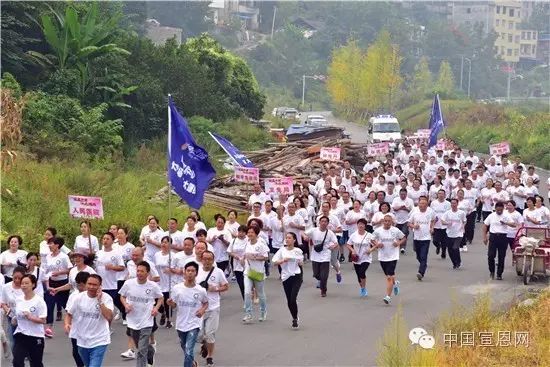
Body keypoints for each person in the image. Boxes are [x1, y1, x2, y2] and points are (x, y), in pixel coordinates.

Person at [119, 261, 164, 367]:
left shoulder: (152, 286)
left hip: (146, 321)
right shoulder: (129, 283)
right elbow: (122, 296)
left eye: (142, 271)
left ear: (147, 273)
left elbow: (160, 297)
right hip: (133, 320)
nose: (139, 273)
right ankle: (151, 351)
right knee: (140, 346)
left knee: (141, 351)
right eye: (138, 271)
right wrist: (125, 305)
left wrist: (156, 308)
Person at [65, 274, 114, 367]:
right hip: (82, 339)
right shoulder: (78, 298)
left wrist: (100, 301)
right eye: (89, 284)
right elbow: (69, 314)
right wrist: (67, 324)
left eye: (95, 285)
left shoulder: (106, 298)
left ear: (100, 286)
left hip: (100, 340)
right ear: (86, 284)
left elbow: (109, 316)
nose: (91, 287)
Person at [167, 261, 208, 367]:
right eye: (188, 271)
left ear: (196, 273)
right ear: (184, 273)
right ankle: (193, 363)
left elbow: (206, 303)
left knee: (189, 349)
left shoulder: (200, 290)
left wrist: (202, 310)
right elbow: (174, 305)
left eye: (192, 271)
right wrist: (171, 304)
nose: (190, 273)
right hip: (181, 323)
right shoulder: (177, 288)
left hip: (194, 323)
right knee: (185, 347)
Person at [196, 251, 229, 367]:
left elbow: (226, 286)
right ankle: (204, 343)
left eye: (209, 259)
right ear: (201, 259)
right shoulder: (197, 271)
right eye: (205, 259)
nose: (207, 261)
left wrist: (214, 288)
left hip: (213, 306)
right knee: (198, 335)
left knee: (210, 333)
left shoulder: (218, 272)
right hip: (199, 308)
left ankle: (209, 356)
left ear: (213, 260)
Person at [11, 274, 47, 367]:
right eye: (22, 283)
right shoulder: (19, 300)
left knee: (36, 363)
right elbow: (16, 316)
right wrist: (15, 320)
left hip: (35, 336)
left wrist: (31, 317)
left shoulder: (39, 301)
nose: (24, 285)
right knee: (17, 360)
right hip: (21, 334)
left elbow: (43, 320)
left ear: (33, 285)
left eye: (27, 283)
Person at [371, 215, 406, 305]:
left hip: (393, 256)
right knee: (389, 276)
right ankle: (395, 284)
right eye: (385, 221)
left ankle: (388, 296)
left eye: (389, 221)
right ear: (383, 222)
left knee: (389, 277)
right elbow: (372, 239)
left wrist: (398, 243)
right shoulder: (378, 231)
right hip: (382, 256)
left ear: (391, 222)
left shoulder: (395, 230)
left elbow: (404, 238)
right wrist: (377, 244)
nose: (387, 223)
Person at [272, 233, 304, 329]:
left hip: (296, 275)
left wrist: (300, 262)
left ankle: (295, 319)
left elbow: (301, 262)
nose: (287, 239)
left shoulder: (298, 250)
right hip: (286, 277)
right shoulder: (282, 250)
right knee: (289, 300)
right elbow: (274, 262)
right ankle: (294, 317)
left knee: (293, 298)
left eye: (290, 238)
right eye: (286, 238)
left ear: (294, 240)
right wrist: (282, 261)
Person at [42, 236, 71, 338]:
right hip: (51, 283)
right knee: (49, 305)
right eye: (49, 244)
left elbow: (69, 269)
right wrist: (47, 283)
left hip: (62, 283)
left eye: (51, 244)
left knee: (65, 305)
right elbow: (44, 270)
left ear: (57, 245)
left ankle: (73, 323)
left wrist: (59, 272)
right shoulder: (48, 256)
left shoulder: (63, 257)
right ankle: (49, 328)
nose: (49, 246)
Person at [95, 232, 125, 323]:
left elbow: (122, 267)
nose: (105, 241)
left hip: (111, 285)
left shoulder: (116, 253)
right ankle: (103, 326)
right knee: (99, 306)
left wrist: (112, 267)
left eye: (108, 239)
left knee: (110, 306)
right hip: (99, 285)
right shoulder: (98, 253)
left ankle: (123, 314)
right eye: (104, 239)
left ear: (112, 241)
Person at [242, 226, 270, 323]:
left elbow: (266, 257)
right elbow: (244, 256)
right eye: (248, 232)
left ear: (256, 234)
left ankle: (263, 311)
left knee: (261, 294)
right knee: (247, 292)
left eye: (252, 232)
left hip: (258, 272)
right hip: (248, 272)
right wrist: (243, 259)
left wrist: (255, 257)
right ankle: (248, 314)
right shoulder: (247, 244)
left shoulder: (261, 244)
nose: (249, 234)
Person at [307, 216, 338, 297]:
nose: (323, 223)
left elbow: (336, 242)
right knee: (316, 274)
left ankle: (323, 290)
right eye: (322, 221)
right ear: (319, 222)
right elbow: (303, 233)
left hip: (325, 255)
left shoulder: (330, 233)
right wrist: (305, 237)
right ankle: (321, 281)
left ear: (327, 223)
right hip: (315, 255)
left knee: (324, 276)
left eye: (325, 221)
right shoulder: (314, 230)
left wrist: (333, 246)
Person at [65, 271, 90, 367]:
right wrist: (67, 324)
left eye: (82, 285)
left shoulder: (95, 295)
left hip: (90, 329)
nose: (80, 288)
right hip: (76, 329)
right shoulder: (73, 296)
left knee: (88, 353)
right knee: (76, 353)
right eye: (78, 285)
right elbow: (68, 312)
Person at [408, 196, 435, 281]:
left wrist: (432, 228)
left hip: (426, 238)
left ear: (427, 205)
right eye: (420, 203)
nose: (422, 205)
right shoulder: (415, 213)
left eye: (424, 204)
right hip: (416, 237)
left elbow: (434, 220)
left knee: (423, 256)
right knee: (418, 256)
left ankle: (421, 272)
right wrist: (413, 226)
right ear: (418, 204)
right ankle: (423, 264)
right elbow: (409, 223)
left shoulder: (430, 213)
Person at [346, 219, 374, 298]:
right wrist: (352, 250)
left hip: (366, 258)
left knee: (362, 272)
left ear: (365, 226)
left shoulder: (369, 235)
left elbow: (376, 244)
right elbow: (348, 244)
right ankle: (362, 287)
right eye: (359, 224)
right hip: (357, 258)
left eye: (362, 224)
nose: (361, 226)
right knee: (359, 275)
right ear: (357, 225)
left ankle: (364, 288)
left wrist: (370, 250)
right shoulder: (354, 235)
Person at [483, 202, 509, 280]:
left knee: (501, 256)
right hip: (493, 237)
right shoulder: (491, 215)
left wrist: (506, 223)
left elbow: (513, 224)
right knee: (491, 255)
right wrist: (484, 237)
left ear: (503, 209)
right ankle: (492, 271)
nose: (499, 212)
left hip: (503, 237)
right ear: (495, 208)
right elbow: (485, 225)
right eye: (498, 210)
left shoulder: (506, 216)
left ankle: (499, 274)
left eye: (501, 210)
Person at [0, 267, 24, 352]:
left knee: (24, 338)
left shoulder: (26, 287)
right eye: (15, 278)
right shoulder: (6, 287)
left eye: (20, 278)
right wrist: (7, 309)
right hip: (12, 317)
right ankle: (17, 358)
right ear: (12, 276)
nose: (17, 280)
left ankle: (26, 353)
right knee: (12, 339)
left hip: (25, 318)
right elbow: (2, 302)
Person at [154, 236, 175, 329]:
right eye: (162, 242)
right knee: (155, 300)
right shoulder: (157, 255)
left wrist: (171, 270)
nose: (164, 244)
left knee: (167, 302)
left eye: (166, 242)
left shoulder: (173, 256)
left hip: (169, 281)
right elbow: (154, 267)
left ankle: (168, 320)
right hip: (159, 281)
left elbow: (175, 269)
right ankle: (162, 312)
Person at [440, 199, 466, 269]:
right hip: (449, 233)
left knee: (455, 248)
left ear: (457, 204)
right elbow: (442, 221)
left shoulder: (461, 213)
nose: (453, 205)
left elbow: (464, 221)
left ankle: (458, 262)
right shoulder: (447, 213)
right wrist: (447, 223)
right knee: (450, 250)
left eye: (454, 203)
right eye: (452, 203)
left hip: (459, 234)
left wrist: (463, 228)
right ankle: (454, 263)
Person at [227, 225, 248, 300]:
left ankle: (251, 295)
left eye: (243, 232)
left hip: (247, 265)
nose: (241, 233)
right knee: (241, 284)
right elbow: (229, 251)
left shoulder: (248, 240)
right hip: (236, 265)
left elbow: (250, 250)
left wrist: (244, 258)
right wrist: (235, 256)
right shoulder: (234, 240)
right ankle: (245, 300)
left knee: (247, 283)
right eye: (239, 232)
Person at [391, 189, 414, 254]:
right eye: (401, 194)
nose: (402, 196)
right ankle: (396, 245)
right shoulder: (396, 199)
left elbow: (412, 211)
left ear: (406, 194)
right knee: (397, 234)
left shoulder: (410, 200)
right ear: (399, 194)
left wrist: (406, 209)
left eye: (404, 194)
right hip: (397, 220)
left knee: (404, 233)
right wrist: (399, 208)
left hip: (406, 220)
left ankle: (402, 247)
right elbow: (393, 208)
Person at [430, 189, 450, 259]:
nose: (441, 195)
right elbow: (431, 213)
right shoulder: (433, 203)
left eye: (442, 194)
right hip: (436, 224)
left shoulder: (448, 203)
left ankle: (443, 252)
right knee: (435, 240)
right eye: (439, 193)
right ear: (437, 195)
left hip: (444, 225)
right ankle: (438, 246)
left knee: (444, 241)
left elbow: (449, 214)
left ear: (444, 195)